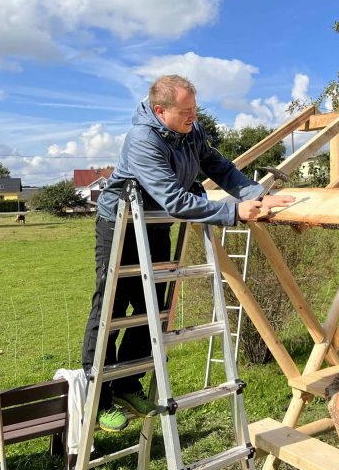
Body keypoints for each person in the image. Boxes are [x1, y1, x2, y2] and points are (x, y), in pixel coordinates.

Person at [82, 74, 294, 432]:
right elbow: (174, 198)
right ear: (160, 110)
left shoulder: (189, 131)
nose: (193, 117)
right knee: (112, 307)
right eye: (186, 111)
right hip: (122, 227)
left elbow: (219, 167)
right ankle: (99, 399)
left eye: (195, 109)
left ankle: (127, 386)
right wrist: (232, 212)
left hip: (156, 223)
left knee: (154, 308)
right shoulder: (142, 140)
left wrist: (255, 195)